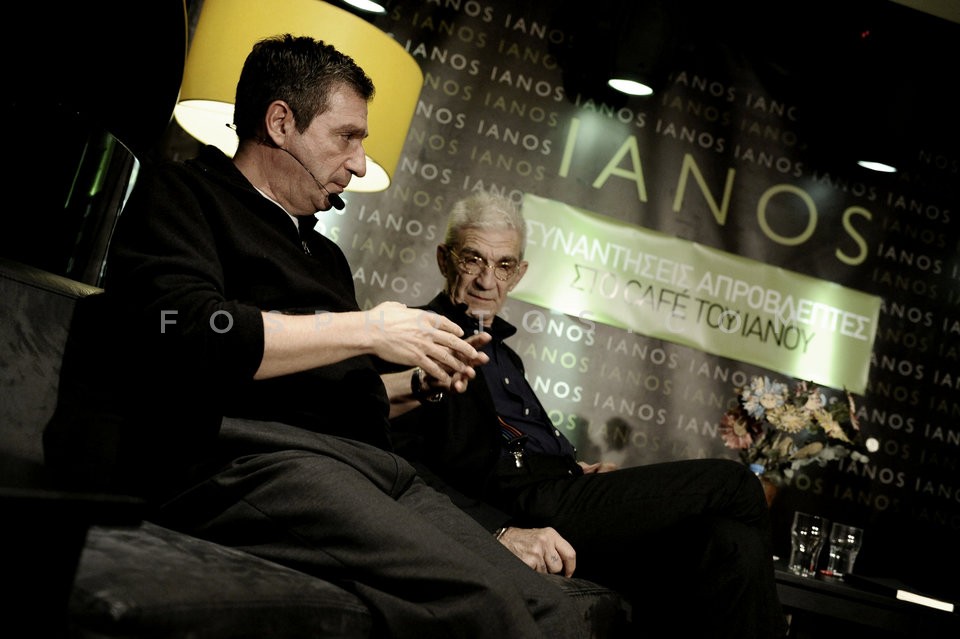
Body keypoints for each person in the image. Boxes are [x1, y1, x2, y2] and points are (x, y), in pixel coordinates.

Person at [42, 35, 586, 639]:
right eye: (346, 137)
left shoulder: (325, 255)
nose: (359, 163)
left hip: (371, 468)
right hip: (249, 461)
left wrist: (417, 384)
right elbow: (187, 328)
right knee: (483, 603)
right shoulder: (183, 194)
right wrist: (367, 327)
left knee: (554, 608)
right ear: (280, 123)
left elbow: (327, 389)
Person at [390, 191, 789, 638]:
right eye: (472, 260)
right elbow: (400, 462)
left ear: (518, 274)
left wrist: (571, 466)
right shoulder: (415, 334)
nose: (487, 280)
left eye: (503, 265)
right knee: (735, 483)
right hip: (524, 501)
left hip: (561, 485)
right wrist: (497, 530)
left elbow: (508, 435)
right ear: (444, 260)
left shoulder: (507, 358)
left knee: (729, 543)